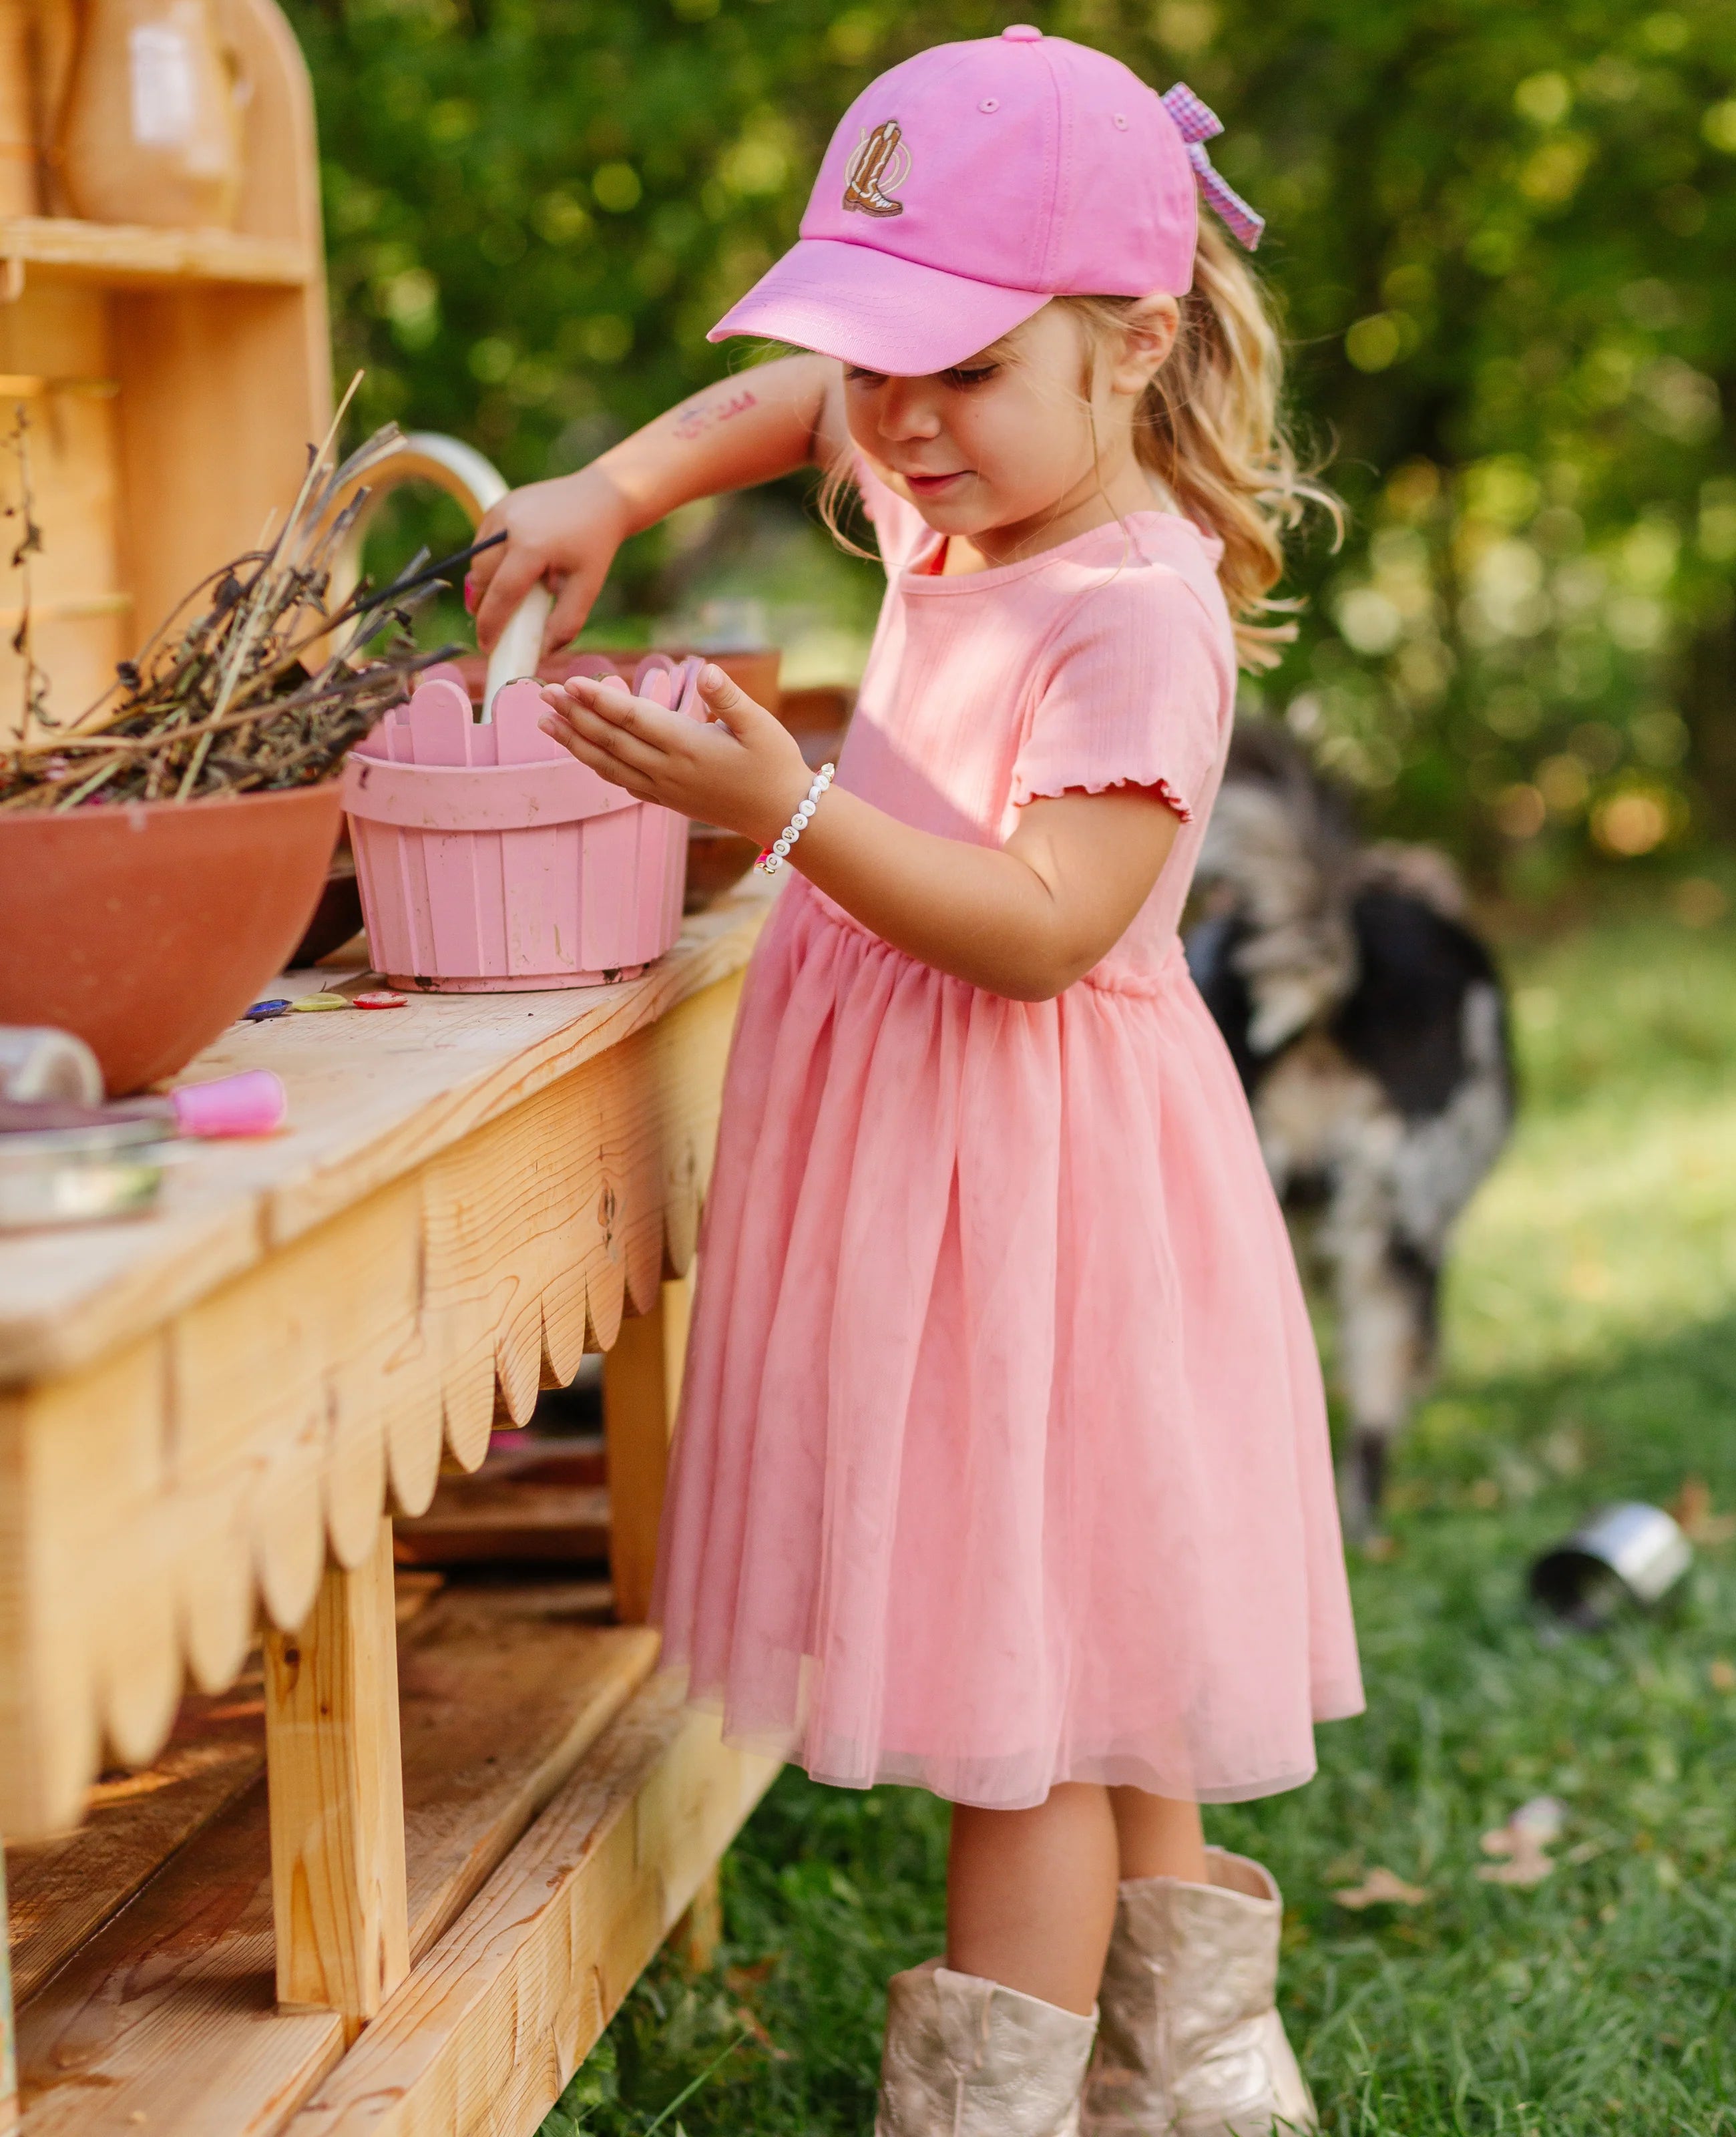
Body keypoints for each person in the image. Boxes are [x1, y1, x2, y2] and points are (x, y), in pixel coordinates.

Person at [467, 29, 1363, 2136]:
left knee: (1028, 1702)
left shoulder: (1136, 612)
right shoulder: (949, 461)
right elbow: (800, 402)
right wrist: (616, 485)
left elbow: (1050, 923)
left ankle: (993, 2107)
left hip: (1044, 1184)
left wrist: (784, 809)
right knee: (1088, 1616)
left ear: (1133, 348)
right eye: (884, 366)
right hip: (943, 1172)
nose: (897, 422)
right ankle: (1201, 2074)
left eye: (957, 370)